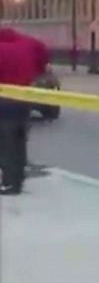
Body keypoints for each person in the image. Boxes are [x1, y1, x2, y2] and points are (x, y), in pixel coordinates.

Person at [0, 28, 49, 196]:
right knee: (19, 140)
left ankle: (10, 183)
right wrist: (36, 70)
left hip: (3, 102)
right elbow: (43, 53)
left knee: (6, 144)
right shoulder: (29, 42)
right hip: (24, 98)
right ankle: (18, 179)